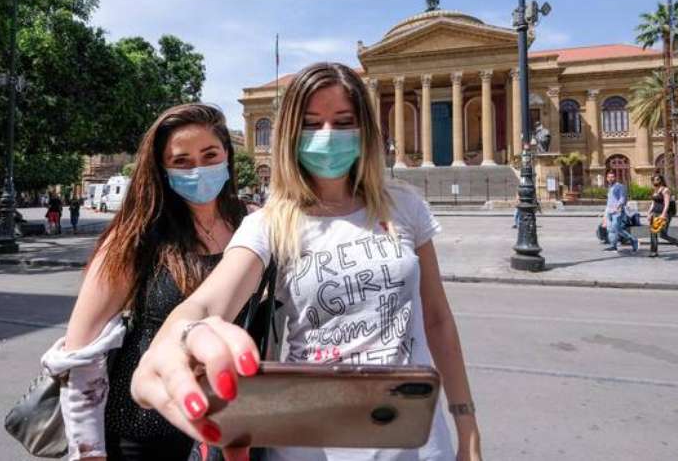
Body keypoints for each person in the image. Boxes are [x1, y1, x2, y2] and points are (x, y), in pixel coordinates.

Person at [131, 63, 482, 461]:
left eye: (343, 121)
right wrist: (177, 337)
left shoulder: (404, 206)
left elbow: (437, 319)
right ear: (291, 135)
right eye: (312, 123)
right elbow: (209, 302)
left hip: (414, 441)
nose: (328, 136)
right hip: (309, 445)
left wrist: (466, 425)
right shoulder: (267, 223)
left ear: (365, 129)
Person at [40, 103, 250, 460]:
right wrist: (89, 452)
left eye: (209, 154)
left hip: (231, 432)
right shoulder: (135, 239)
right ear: (162, 169)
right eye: (182, 161)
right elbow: (79, 353)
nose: (198, 169)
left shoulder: (253, 227)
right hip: (141, 434)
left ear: (227, 157)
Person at [647, 174, 678, 258]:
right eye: (653, 180)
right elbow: (653, 203)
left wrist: (663, 214)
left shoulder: (665, 190)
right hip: (654, 213)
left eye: (657, 179)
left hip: (662, 214)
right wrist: (649, 212)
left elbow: (667, 203)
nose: (655, 181)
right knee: (653, 233)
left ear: (661, 180)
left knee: (663, 235)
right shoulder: (655, 190)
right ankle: (653, 251)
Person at [603, 171, 638, 253]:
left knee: (616, 228)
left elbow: (622, 198)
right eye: (609, 177)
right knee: (610, 229)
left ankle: (633, 240)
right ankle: (613, 246)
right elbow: (609, 201)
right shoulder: (609, 187)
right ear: (607, 178)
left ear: (615, 177)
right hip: (609, 211)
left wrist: (618, 207)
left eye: (612, 177)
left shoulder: (620, 186)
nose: (610, 178)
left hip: (617, 211)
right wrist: (605, 213)